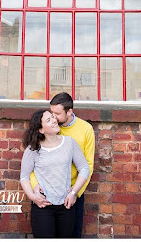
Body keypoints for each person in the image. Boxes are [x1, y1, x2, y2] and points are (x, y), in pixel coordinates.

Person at [30, 92, 95, 237]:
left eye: (57, 114)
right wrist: (35, 185)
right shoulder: (49, 128)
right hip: (47, 192)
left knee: (72, 235)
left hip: (72, 192)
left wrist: (75, 193)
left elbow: (88, 166)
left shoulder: (86, 129)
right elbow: (33, 162)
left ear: (69, 112)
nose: (53, 117)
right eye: (51, 113)